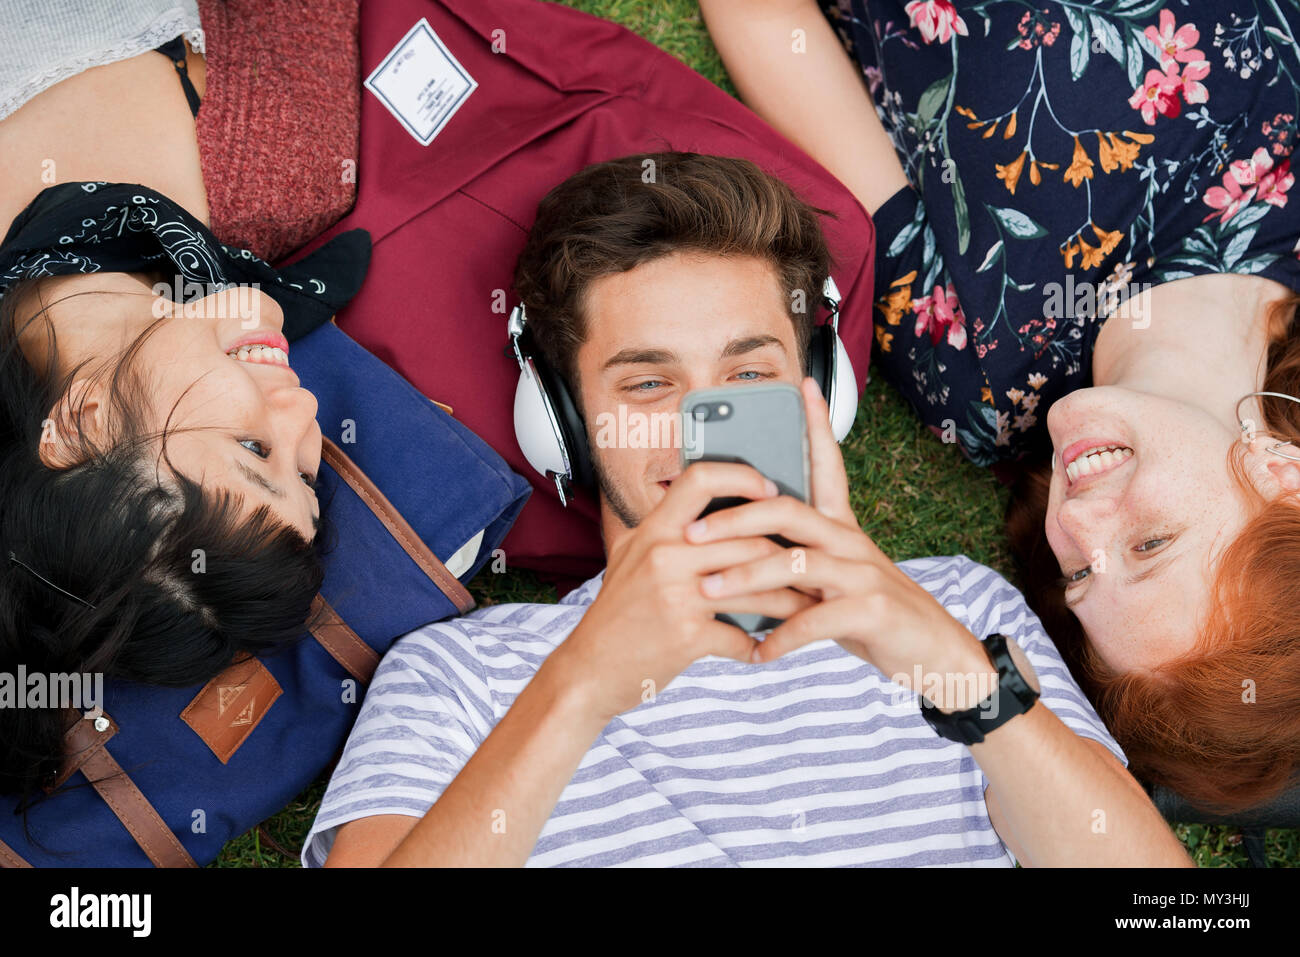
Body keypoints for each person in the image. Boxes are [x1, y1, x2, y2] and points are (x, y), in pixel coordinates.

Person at [303, 152, 1191, 867]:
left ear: (818, 393)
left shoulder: (962, 610)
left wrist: (946, 668)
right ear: (563, 421)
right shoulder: (455, 676)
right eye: (649, 382)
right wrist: (578, 689)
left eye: (747, 374)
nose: (702, 428)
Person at [694, 0, 1300, 814]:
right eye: (1150, 543)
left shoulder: (983, 379)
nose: (1080, 525)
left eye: (1080, 574)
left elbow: (770, 28)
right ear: (1279, 474)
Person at [0, 1, 367, 801]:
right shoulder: (287, 161)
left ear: (83, 419)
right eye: (304, 478)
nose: (303, 416)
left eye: (250, 448)